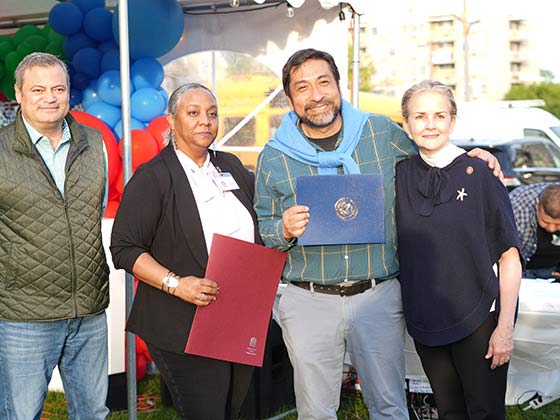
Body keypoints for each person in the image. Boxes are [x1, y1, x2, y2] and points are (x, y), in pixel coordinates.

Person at [254, 48, 502, 420]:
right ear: (290, 99)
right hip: (308, 300)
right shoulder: (274, 156)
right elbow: (265, 226)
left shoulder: (379, 132)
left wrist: (471, 158)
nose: (316, 94)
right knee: (315, 411)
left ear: (338, 85)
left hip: (378, 296)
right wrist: (283, 228)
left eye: (323, 82)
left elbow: (431, 160)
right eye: (302, 87)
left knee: (389, 407)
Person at [110, 83, 259, 419]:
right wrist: (178, 284)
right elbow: (123, 248)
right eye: (193, 113)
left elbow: (258, 223)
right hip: (181, 322)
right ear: (171, 121)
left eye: (212, 113)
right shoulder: (154, 176)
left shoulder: (231, 166)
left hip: (237, 315)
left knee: (238, 408)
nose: (205, 121)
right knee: (206, 411)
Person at [395, 80, 523, 420]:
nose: (430, 124)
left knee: (484, 412)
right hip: (426, 318)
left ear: (453, 120)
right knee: (449, 412)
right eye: (419, 116)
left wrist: (505, 327)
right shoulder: (399, 175)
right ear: (406, 123)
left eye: (440, 115)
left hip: (479, 316)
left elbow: (509, 255)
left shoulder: (480, 172)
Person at [0, 52, 109, 419]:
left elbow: (96, 211)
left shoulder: (95, 143)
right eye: (38, 89)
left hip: (89, 312)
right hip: (23, 316)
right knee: (20, 414)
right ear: (18, 93)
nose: (50, 97)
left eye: (58, 88)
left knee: (92, 412)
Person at [509, 183, 560, 279]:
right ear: (537, 204)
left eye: (558, 224)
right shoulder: (516, 210)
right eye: (546, 221)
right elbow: (505, 255)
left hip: (553, 267)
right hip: (520, 270)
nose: (551, 229)